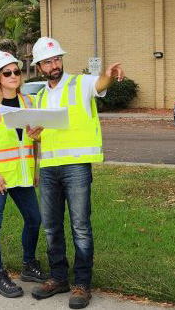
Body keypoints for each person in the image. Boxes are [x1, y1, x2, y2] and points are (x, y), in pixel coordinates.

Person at [26, 37, 124, 309]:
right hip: (48, 169)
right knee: (52, 228)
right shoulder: (41, 96)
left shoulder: (80, 83)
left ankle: (82, 284)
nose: (54, 64)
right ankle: (58, 278)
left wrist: (108, 77)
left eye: (57, 59)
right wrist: (34, 136)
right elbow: (38, 135)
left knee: (80, 227)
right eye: (48, 61)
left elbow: (99, 85)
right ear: (39, 67)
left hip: (77, 167)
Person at [0, 50, 48, 298]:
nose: (14, 75)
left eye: (17, 71)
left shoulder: (28, 102)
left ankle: (28, 264)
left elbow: (33, 140)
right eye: (8, 72)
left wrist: (35, 168)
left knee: (34, 219)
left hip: (22, 174)